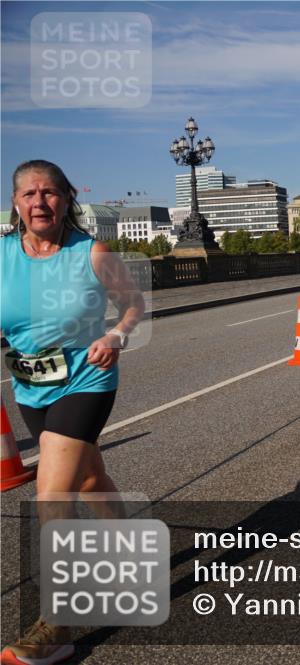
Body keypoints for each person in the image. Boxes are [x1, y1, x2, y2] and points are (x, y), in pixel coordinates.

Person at [0, 160, 144, 665]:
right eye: (29, 194)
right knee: (88, 479)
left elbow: (132, 303)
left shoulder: (92, 253)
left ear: (66, 200)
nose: (39, 202)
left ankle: (57, 622)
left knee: (52, 492)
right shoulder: (1, 256)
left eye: (49, 193)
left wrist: (117, 334)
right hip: (31, 388)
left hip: (86, 379)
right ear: (16, 203)